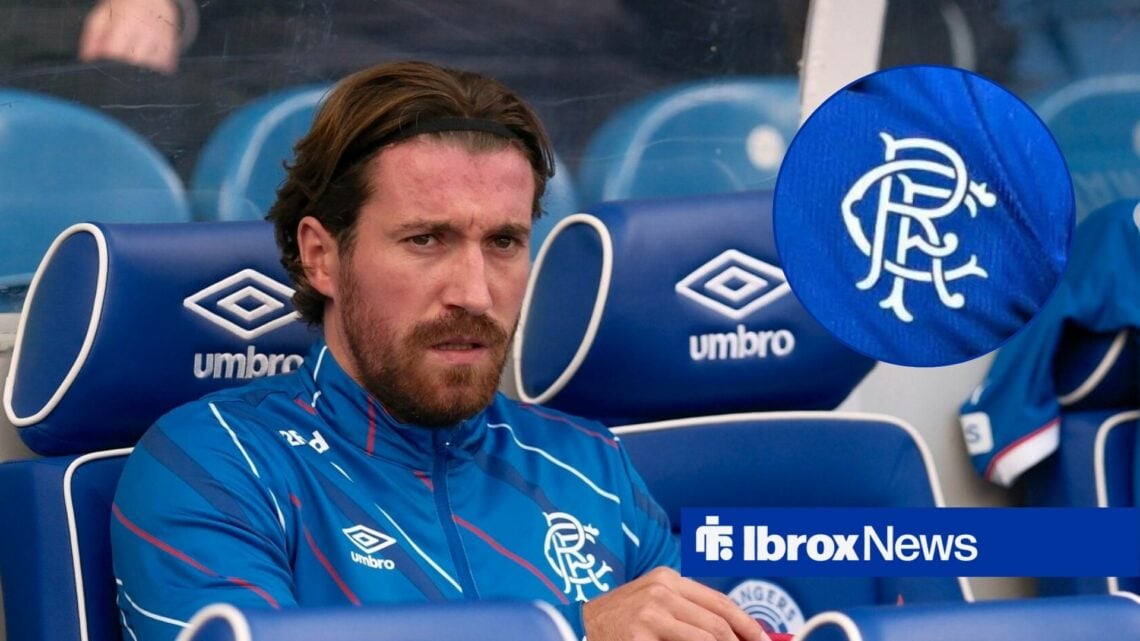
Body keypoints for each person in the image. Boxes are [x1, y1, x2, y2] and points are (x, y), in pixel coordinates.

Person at [109, 60, 768, 641]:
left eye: (504, 242)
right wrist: (572, 630)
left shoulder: (592, 466)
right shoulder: (213, 462)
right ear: (322, 257)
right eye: (427, 239)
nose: (475, 293)